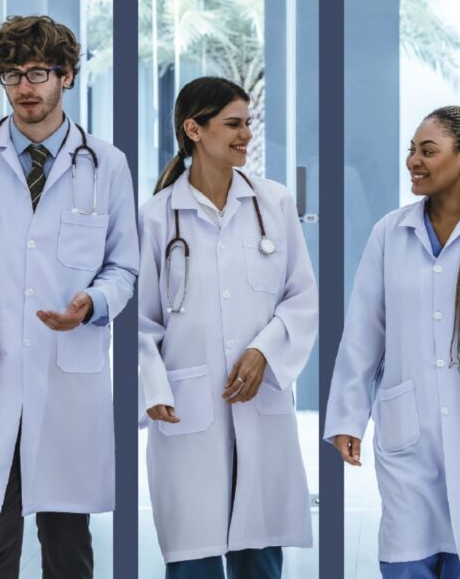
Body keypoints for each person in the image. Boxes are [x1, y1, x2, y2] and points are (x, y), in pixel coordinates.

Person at [0, 14, 138, 578]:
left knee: (69, 552)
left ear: (66, 76)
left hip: (67, 380)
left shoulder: (107, 164)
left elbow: (124, 266)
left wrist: (92, 303)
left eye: (39, 72)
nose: (25, 87)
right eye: (12, 74)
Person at [325, 106, 460, 578]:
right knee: (403, 556)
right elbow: (363, 332)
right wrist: (348, 415)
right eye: (411, 150)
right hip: (406, 427)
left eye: (428, 151)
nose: (414, 160)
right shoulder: (389, 234)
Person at [138, 77, 317, 579]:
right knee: (193, 560)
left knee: (258, 557)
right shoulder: (156, 218)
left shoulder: (274, 204)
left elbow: (301, 298)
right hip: (187, 407)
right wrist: (152, 387)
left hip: (259, 402)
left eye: (248, 124)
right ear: (194, 129)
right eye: (233, 124)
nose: (246, 136)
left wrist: (265, 351)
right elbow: (140, 322)